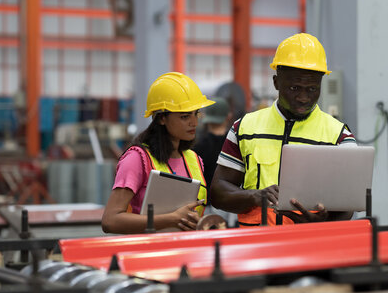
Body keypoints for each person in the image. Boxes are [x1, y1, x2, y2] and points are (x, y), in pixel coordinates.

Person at [211, 33, 357, 226]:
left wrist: (322, 220)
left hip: (310, 247)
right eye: (295, 88)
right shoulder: (244, 128)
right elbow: (218, 193)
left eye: (312, 89)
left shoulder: (339, 136)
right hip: (255, 246)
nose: (304, 97)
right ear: (276, 82)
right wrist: (253, 196)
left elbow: (348, 205)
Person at [102, 72, 215, 234]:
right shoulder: (137, 159)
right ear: (162, 118)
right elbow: (110, 220)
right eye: (185, 116)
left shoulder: (195, 160)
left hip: (188, 251)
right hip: (148, 253)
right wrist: (171, 219)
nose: (194, 122)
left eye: (196, 114)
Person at [193, 97, 237, 226]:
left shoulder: (196, 147)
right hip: (232, 206)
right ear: (228, 116)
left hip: (203, 207)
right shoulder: (236, 144)